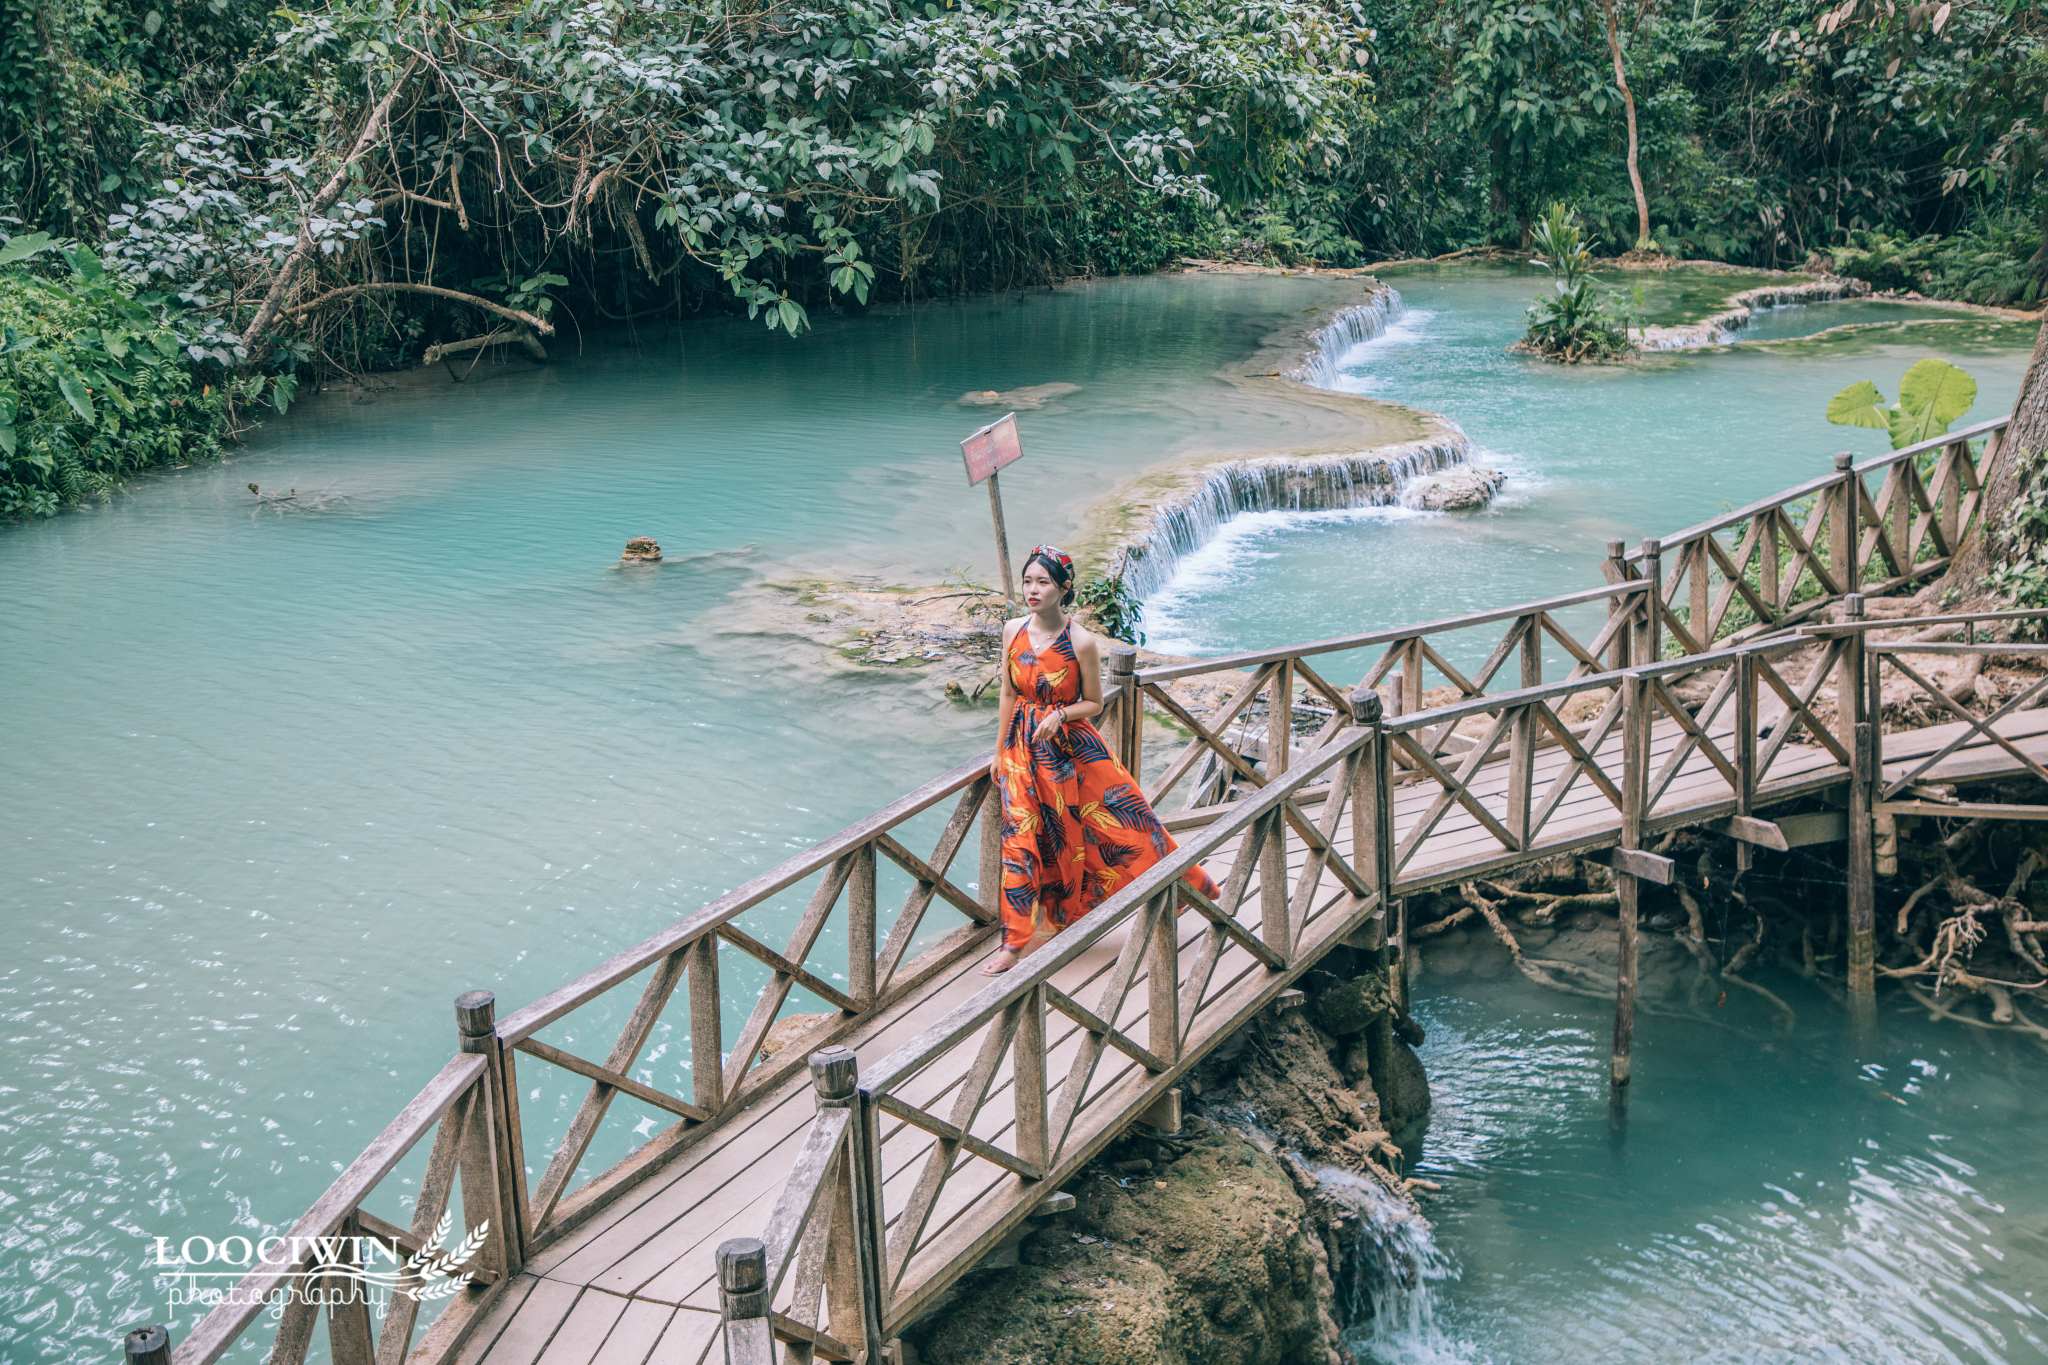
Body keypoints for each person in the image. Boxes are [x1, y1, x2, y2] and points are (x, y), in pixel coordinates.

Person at [983, 545, 1221, 975]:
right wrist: (998, 751)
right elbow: (1008, 693)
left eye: (1043, 582)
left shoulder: (1082, 642)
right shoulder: (1012, 630)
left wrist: (1060, 713)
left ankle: (1191, 886)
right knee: (1020, 843)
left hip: (1071, 752)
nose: (1032, 590)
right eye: (1028, 581)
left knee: (1127, 826)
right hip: (1022, 750)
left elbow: (1093, 702)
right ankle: (1013, 944)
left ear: (1064, 588)